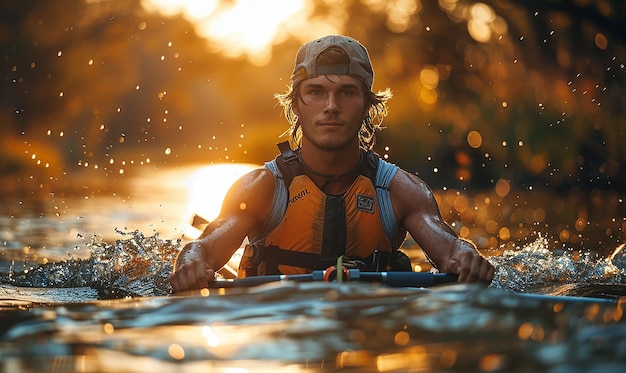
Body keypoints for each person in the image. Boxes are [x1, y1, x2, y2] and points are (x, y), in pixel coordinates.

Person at [169, 35, 494, 292]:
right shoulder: (260, 189)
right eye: (316, 92)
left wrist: (466, 258)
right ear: (296, 104)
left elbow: (451, 248)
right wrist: (191, 264)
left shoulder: (401, 191)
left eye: (347, 92)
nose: (331, 106)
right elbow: (202, 249)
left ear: (367, 104)